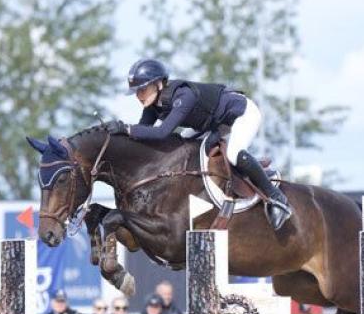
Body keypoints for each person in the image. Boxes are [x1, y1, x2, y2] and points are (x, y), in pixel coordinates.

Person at [106, 58, 293, 230]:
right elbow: (142, 133)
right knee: (183, 146)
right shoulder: (153, 105)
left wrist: (126, 129)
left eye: (142, 89)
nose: (139, 95)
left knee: (234, 153)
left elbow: (162, 132)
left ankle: (276, 198)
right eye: (136, 91)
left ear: (158, 83)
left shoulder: (183, 95)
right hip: (213, 123)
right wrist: (117, 139)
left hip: (241, 114)